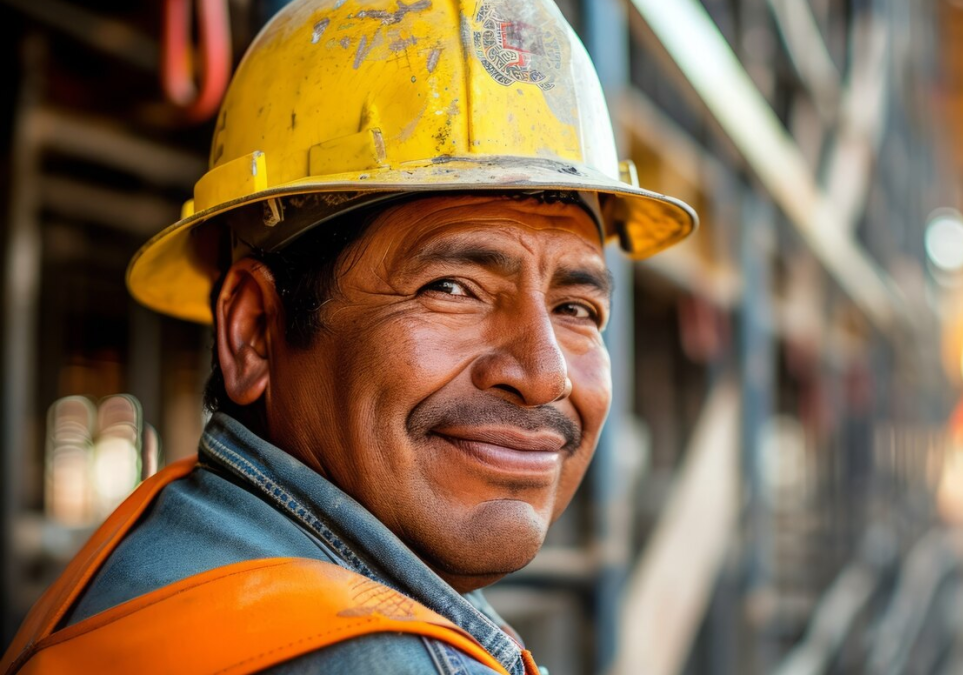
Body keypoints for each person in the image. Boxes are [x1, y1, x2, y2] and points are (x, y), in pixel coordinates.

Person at [0, 0, 696, 673]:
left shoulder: (151, 565)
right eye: (451, 288)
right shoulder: (375, 659)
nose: (546, 376)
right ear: (254, 332)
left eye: (576, 307)